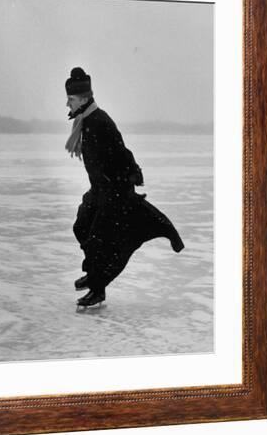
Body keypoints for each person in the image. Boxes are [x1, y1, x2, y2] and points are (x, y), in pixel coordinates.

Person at [65, 67, 185, 308]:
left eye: (70, 99)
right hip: (99, 189)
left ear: (84, 99)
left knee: (99, 240)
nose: (67, 104)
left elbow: (120, 150)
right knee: (81, 227)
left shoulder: (99, 122)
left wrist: (131, 174)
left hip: (113, 191)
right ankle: (93, 273)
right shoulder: (85, 121)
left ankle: (97, 290)